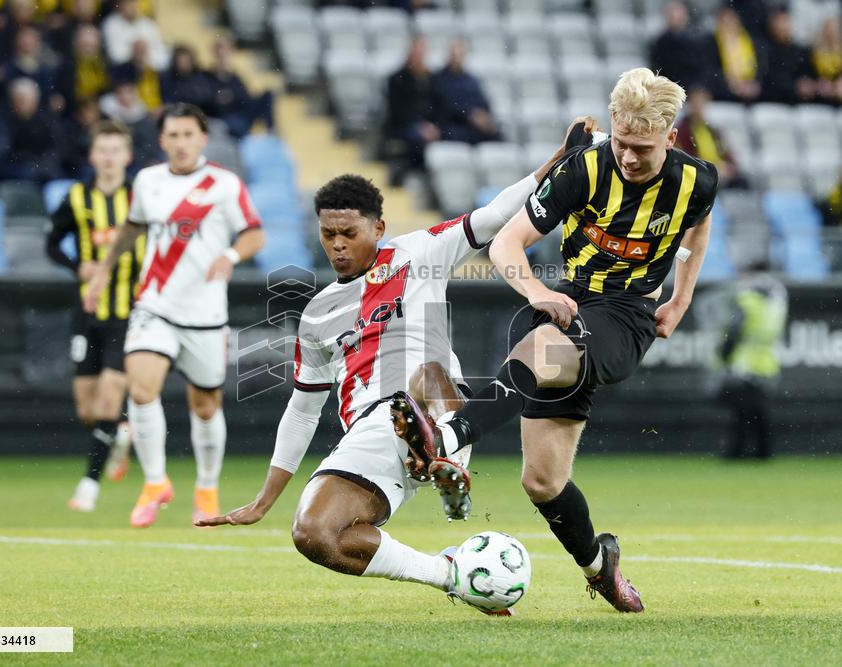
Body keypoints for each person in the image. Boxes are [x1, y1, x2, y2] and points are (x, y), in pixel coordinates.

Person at [196, 118, 604, 612]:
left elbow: (497, 214)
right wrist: (264, 500)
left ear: (379, 228)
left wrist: (557, 161)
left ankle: (444, 454)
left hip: (439, 408)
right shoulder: (317, 314)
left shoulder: (420, 252)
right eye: (328, 234)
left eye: (349, 233)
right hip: (372, 434)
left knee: (425, 376)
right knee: (314, 533)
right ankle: (450, 573)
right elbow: (302, 412)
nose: (337, 244)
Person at [391, 68, 718, 614]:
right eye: (621, 141)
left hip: (626, 316)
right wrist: (537, 291)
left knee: (544, 345)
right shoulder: (583, 169)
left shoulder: (696, 180)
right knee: (542, 481)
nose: (628, 156)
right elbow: (505, 245)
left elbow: (698, 228)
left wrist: (680, 300)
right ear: (612, 123)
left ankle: (449, 437)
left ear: (669, 135)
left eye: (642, 149)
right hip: (568, 300)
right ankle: (600, 567)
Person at [83, 103, 265, 528]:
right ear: (162, 140)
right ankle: (154, 483)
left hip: (205, 313)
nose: (181, 143)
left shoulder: (224, 184)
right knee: (141, 388)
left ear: (202, 139)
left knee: (205, 406)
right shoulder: (148, 181)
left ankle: (206, 488)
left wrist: (230, 256)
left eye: (188, 135)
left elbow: (255, 233)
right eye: (173, 135)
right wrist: (103, 272)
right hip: (155, 305)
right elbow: (133, 227)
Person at [46, 120, 144, 511]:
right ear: (92, 156)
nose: (108, 157)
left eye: (115, 150)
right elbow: (51, 243)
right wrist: (77, 267)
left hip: (129, 313)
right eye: (102, 150)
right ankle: (122, 429)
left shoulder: (140, 197)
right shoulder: (77, 198)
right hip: (87, 313)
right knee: (87, 410)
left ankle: (88, 486)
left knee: (107, 401)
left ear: (127, 156)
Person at [717, 263, 787, 459]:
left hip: (744, 363)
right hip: (767, 363)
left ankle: (737, 451)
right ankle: (763, 451)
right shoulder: (776, 302)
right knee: (759, 410)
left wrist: (725, 354)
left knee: (741, 411)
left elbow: (734, 332)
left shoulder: (747, 300)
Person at [383, 37, 439, 170]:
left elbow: (438, 105)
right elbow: (397, 110)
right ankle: (417, 170)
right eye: (416, 54)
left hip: (428, 125)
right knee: (417, 138)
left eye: (421, 54)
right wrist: (421, 126)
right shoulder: (397, 79)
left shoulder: (432, 79)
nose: (418, 58)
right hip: (404, 126)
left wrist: (433, 125)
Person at [430, 39, 499, 145]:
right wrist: (469, 115)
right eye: (454, 55)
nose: (456, 59)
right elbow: (445, 105)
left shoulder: (471, 80)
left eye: (459, 55)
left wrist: (484, 116)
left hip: (473, 127)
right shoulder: (439, 79)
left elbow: (483, 102)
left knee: (496, 135)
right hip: (452, 126)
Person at [675, 87, 746, 189]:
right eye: (696, 102)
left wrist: (730, 166)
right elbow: (685, 158)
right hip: (700, 173)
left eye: (702, 102)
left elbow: (725, 151)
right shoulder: (682, 130)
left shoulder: (711, 128)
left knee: (743, 181)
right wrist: (712, 169)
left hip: (719, 171)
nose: (699, 106)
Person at [0, 77, 64, 182]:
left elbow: (57, 148)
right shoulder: (4, 120)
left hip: (44, 168)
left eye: (23, 99)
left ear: (35, 100)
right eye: (16, 99)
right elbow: (3, 151)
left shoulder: (47, 120)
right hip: (16, 169)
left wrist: (41, 164)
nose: (19, 104)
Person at [206, 35, 274, 137]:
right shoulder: (207, 76)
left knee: (268, 95)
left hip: (243, 113)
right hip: (227, 117)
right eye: (220, 52)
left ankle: (272, 133)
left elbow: (246, 98)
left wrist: (232, 96)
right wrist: (220, 98)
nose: (223, 56)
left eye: (226, 51)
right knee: (237, 125)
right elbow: (209, 100)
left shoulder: (235, 77)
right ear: (215, 53)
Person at [706, 5, 763, 103]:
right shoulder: (711, 44)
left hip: (751, 98)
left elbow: (761, 68)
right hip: (721, 98)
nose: (729, 25)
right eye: (724, 22)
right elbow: (710, 72)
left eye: (731, 21)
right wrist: (729, 84)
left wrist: (753, 84)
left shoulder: (751, 42)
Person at [760, 8, 816, 105]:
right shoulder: (765, 50)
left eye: (786, 21)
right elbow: (769, 80)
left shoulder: (801, 51)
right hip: (772, 103)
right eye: (780, 22)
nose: (784, 26)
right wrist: (795, 87)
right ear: (772, 25)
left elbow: (808, 75)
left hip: (800, 104)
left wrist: (809, 85)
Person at [102, 0, 169, 71]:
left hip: (151, 72)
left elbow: (163, 60)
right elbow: (115, 57)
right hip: (123, 73)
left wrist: (146, 56)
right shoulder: (111, 24)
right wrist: (135, 51)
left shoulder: (148, 24)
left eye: (134, 2)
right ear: (120, 4)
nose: (132, 6)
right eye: (128, 2)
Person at [649, 1, 702, 89]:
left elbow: (703, 70)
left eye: (677, 11)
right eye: (671, 12)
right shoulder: (659, 43)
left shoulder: (698, 40)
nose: (674, 15)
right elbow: (656, 71)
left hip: (693, 90)